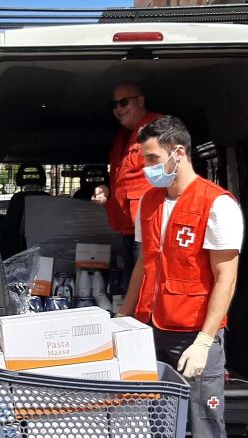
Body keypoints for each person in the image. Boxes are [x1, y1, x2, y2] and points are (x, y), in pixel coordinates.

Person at [112, 115, 242, 438]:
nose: (146, 167)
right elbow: (142, 266)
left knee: (206, 430)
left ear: (178, 153)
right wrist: (123, 316)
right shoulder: (149, 201)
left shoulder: (216, 203)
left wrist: (205, 340)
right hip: (149, 328)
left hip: (192, 336)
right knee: (141, 418)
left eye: (152, 157)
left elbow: (226, 275)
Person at [105, 82, 163, 289]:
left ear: (140, 101)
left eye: (123, 102)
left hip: (150, 224)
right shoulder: (123, 135)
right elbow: (126, 178)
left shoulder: (158, 128)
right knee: (133, 283)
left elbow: (172, 174)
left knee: (146, 283)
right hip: (129, 225)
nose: (118, 109)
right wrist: (107, 191)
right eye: (114, 105)